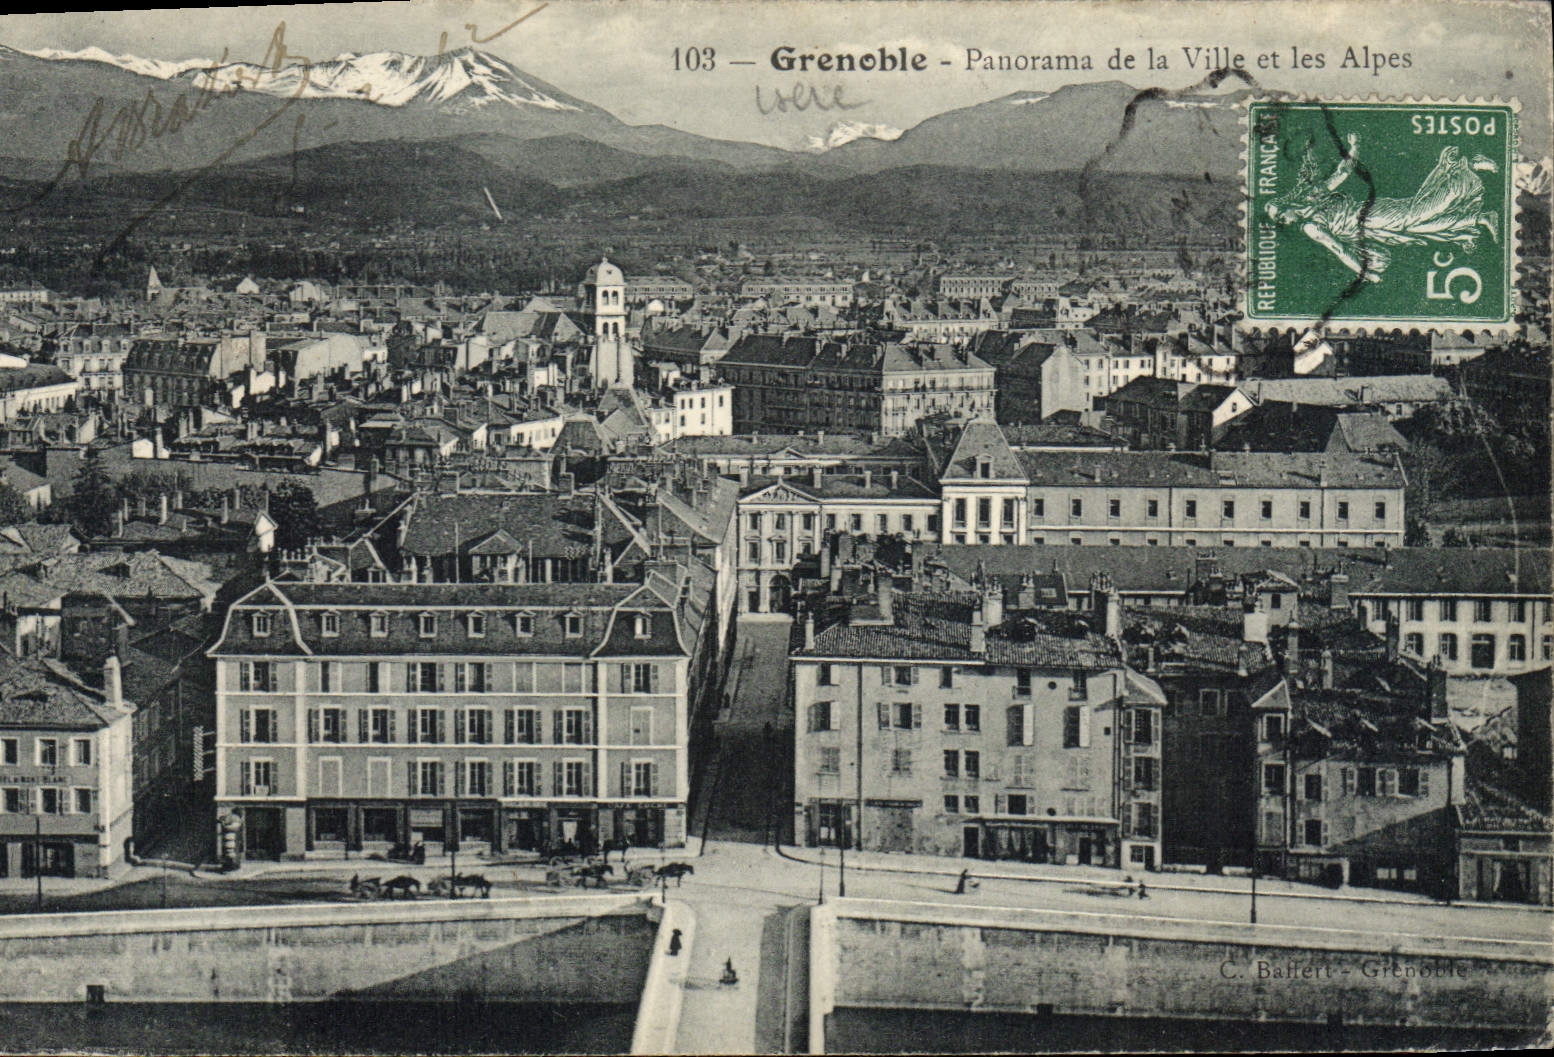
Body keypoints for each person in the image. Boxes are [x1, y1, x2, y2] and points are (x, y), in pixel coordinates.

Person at [1266, 133, 1500, 282]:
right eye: (1279, 221)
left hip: (1372, 216)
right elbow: (1338, 246)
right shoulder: (1309, 219)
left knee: (1420, 213)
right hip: (1373, 224)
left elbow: (1342, 173)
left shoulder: (1311, 218)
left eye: (1280, 216)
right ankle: (1480, 218)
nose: (1282, 222)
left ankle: (1467, 166)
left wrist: (1355, 147)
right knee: (1421, 226)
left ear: (1287, 205)